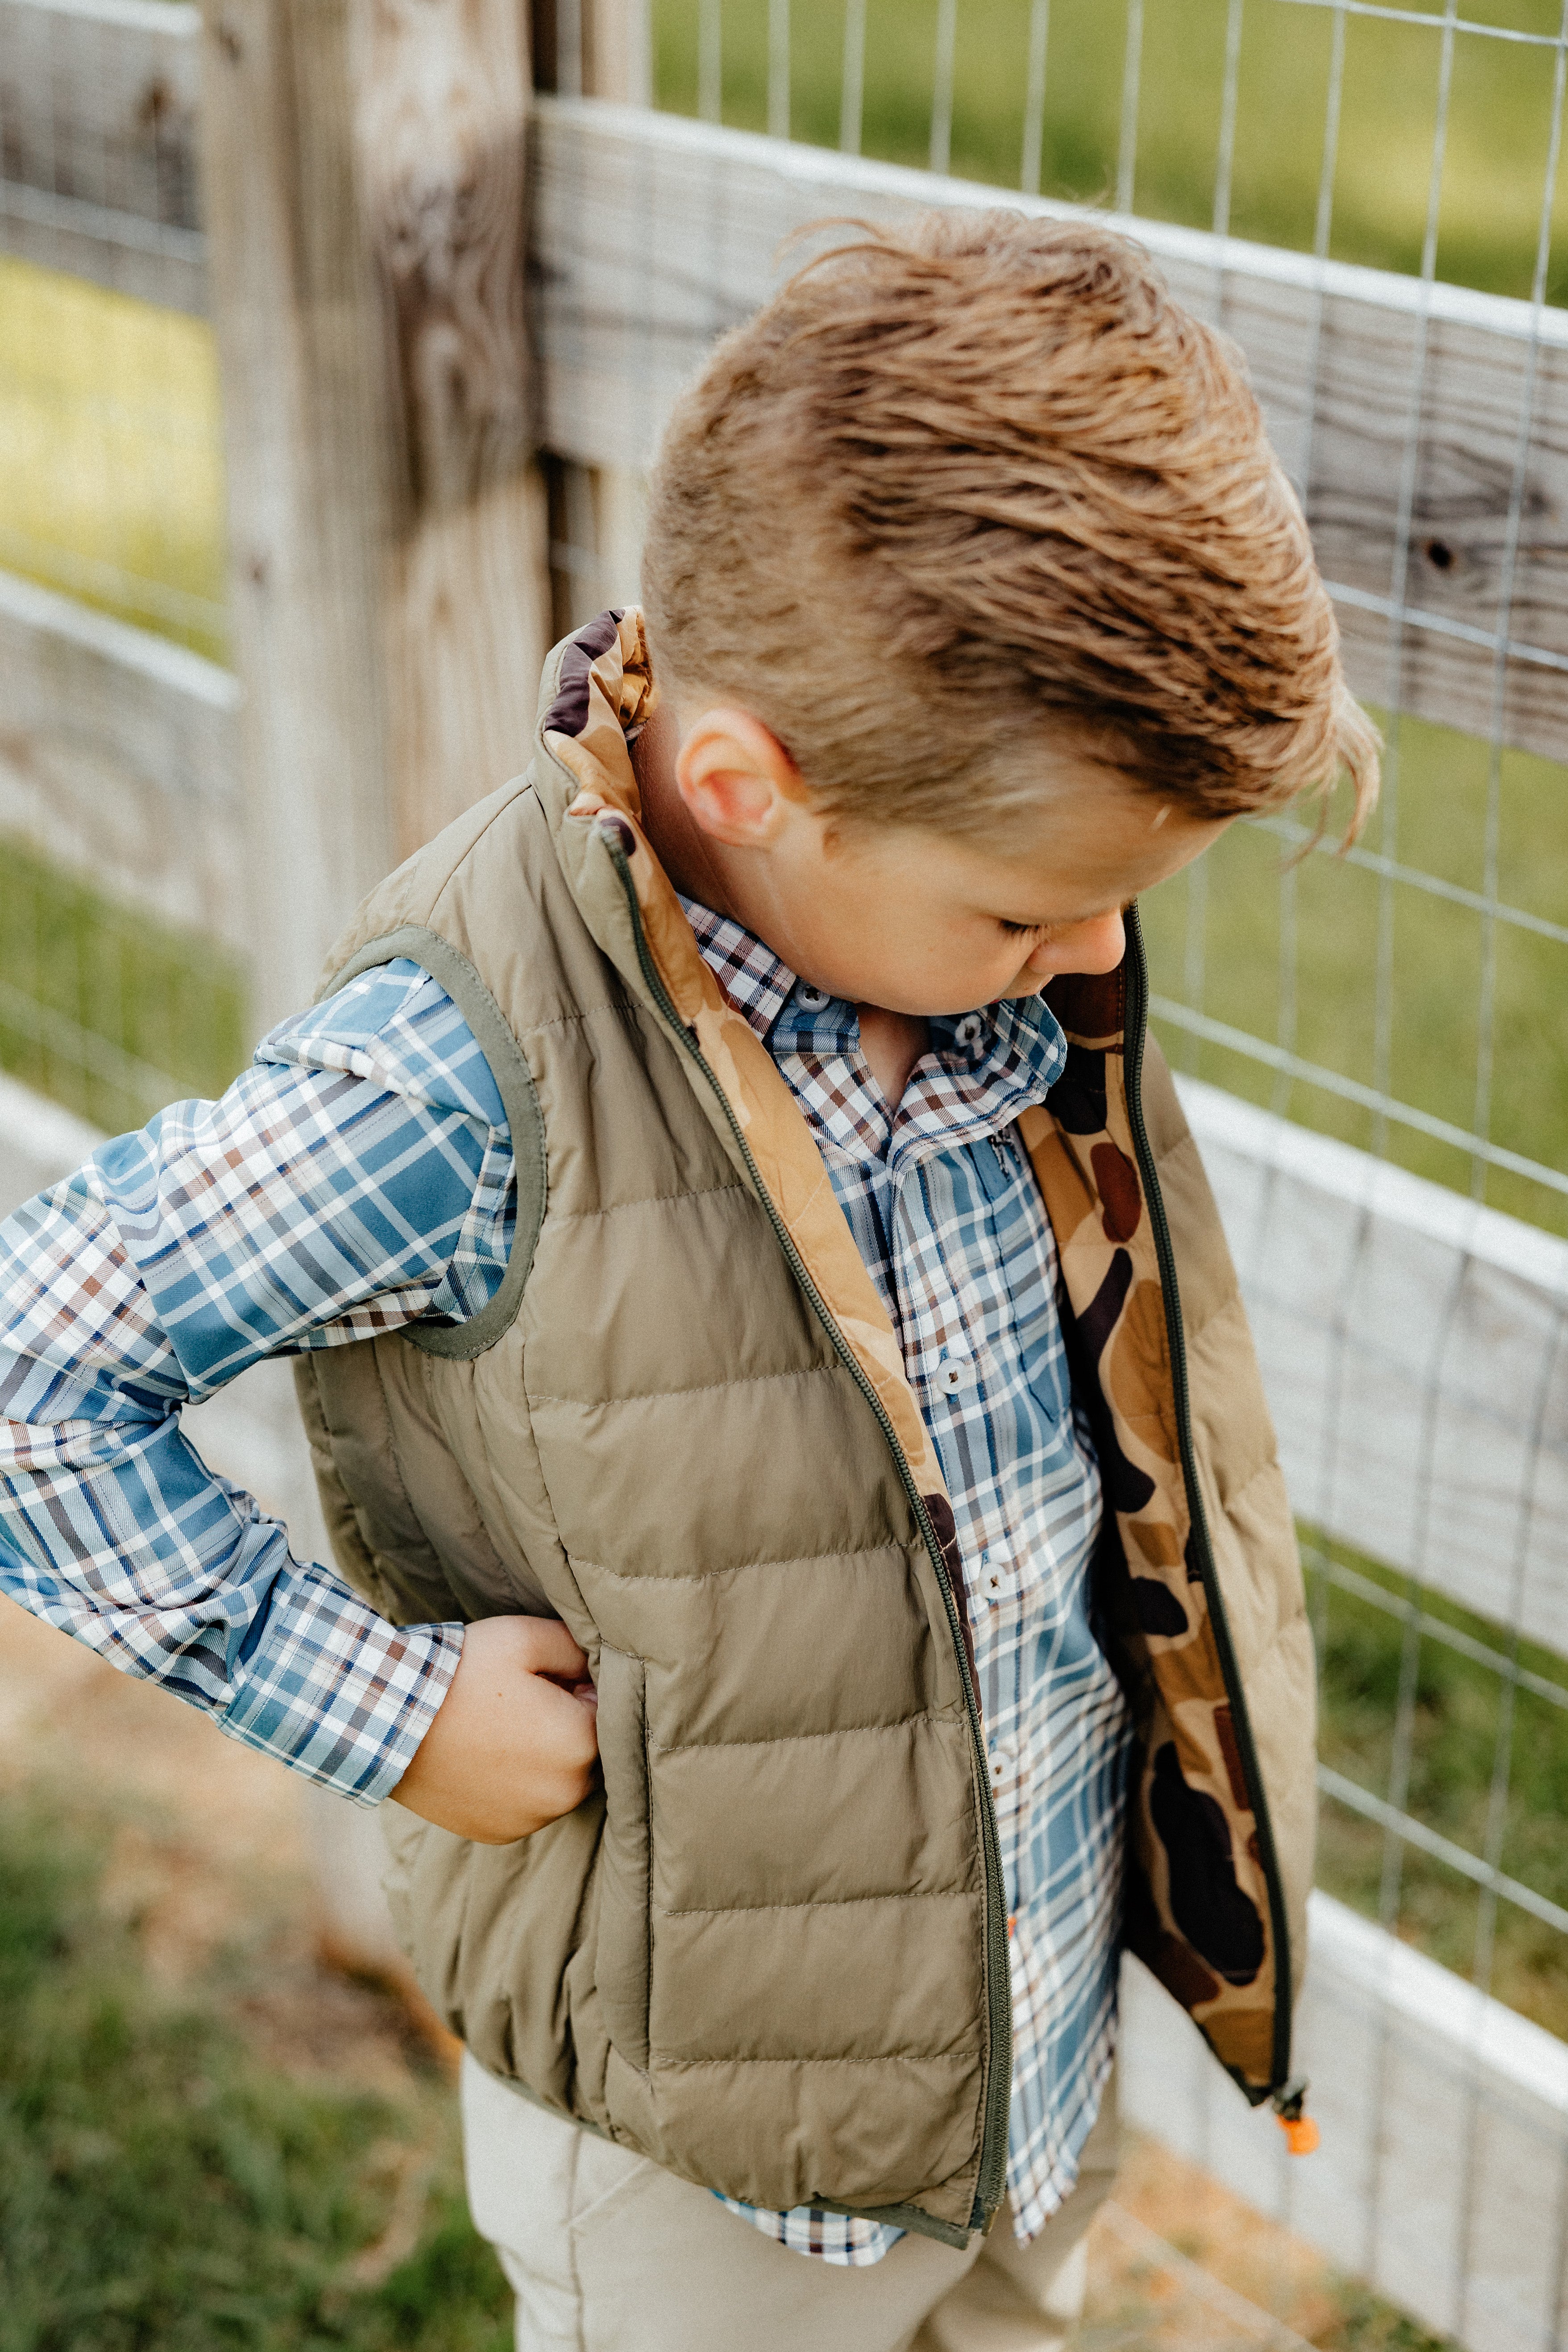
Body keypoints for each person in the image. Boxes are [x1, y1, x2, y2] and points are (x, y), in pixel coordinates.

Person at [0, 212, 1376, 2350]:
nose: (1096, 958)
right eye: (1035, 909)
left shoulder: (984, 954)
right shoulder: (458, 1075)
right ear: (751, 789)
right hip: (695, 2161)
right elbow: (30, 1368)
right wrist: (392, 1712)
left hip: (1016, 2060)